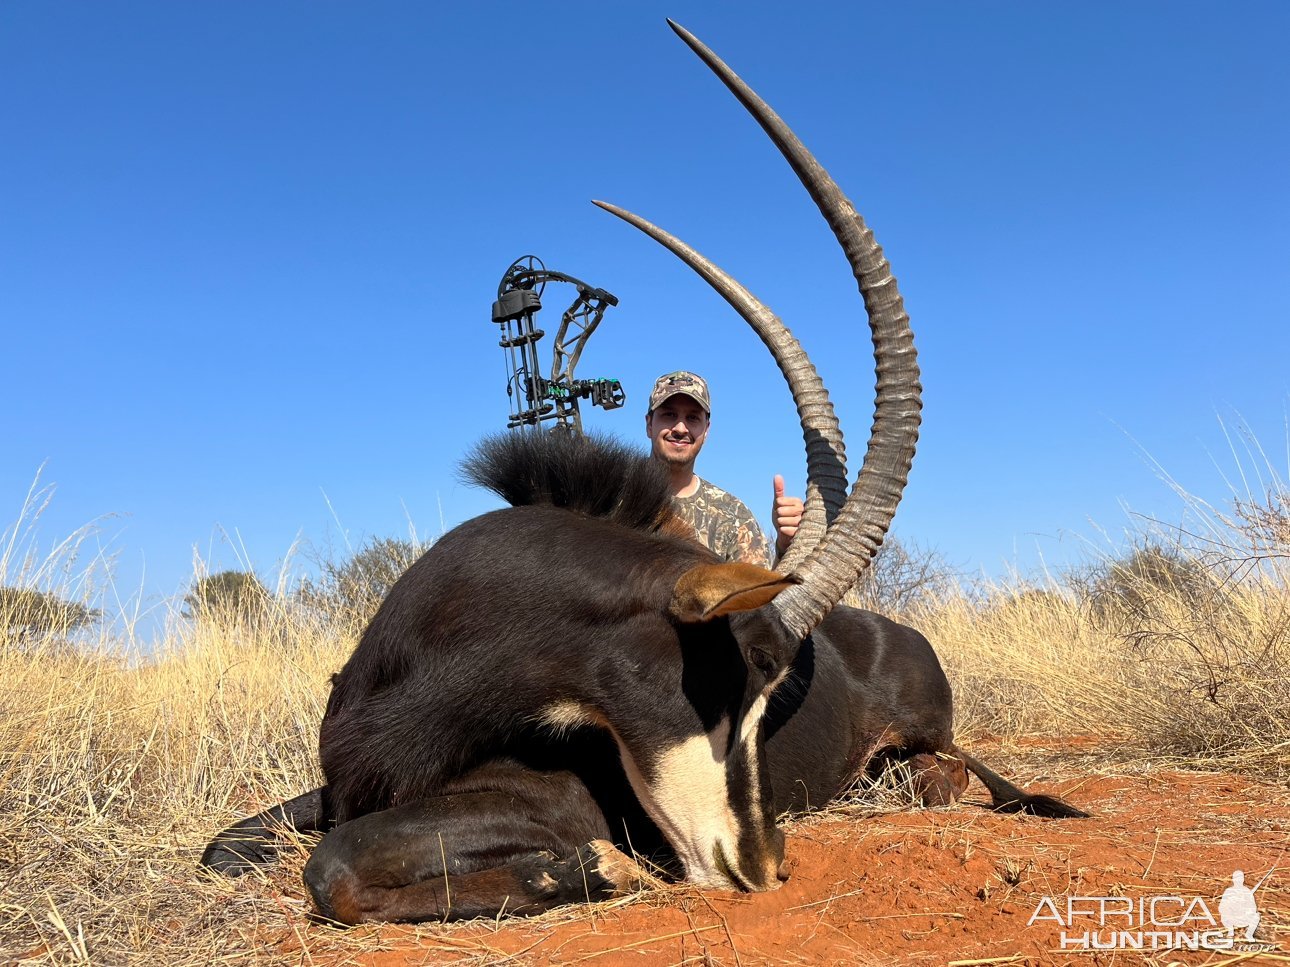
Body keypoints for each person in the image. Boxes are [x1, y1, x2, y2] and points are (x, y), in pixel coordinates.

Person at [645, 371, 803, 568]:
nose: (680, 428)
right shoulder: (612, 496)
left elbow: (756, 594)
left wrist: (784, 547)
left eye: (692, 418)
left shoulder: (735, 516)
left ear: (706, 430)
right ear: (649, 424)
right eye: (669, 415)